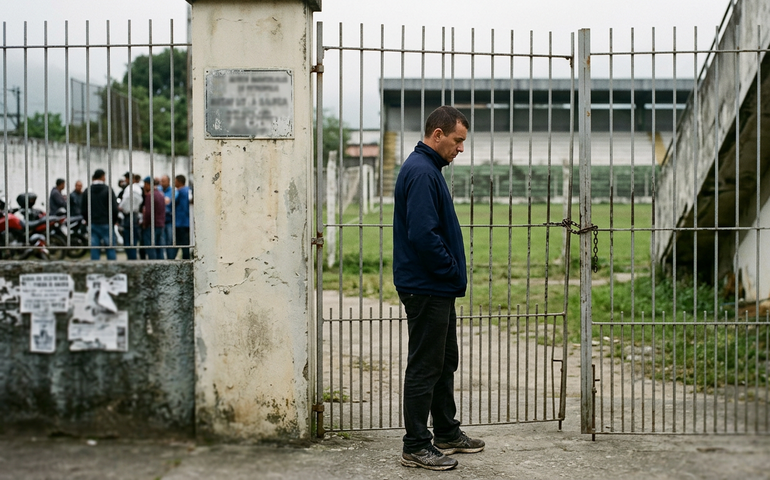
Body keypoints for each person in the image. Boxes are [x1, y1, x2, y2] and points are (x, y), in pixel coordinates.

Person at [392, 106, 484, 471]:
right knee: (425, 366)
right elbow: (423, 235)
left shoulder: (428, 170)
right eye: (458, 140)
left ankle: (446, 430)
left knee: (444, 361)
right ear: (438, 135)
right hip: (427, 285)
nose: (461, 148)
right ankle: (415, 444)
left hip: (435, 286)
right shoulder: (421, 172)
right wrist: (449, 270)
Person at [81, 169, 119, 260]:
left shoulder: (87, 191)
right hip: (106, 223)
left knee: (94, 248)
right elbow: (114, 208)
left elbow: (83, 209)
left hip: (93, 223)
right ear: (102, 176)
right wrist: (113, 221)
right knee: (110, 248)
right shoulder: (108, 190)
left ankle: (95, 270)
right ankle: (112, 269)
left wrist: (88, 220)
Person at [119, 174, 144, 260]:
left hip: (129, 216)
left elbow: (124, 204)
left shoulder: (129, 189)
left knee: (128, 241)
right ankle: (132, 259)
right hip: (135, 215)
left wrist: (120, 207)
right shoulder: (138, 189)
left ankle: (131, 260)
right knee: (133, 240)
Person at [166, 174, 191, 260]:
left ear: (179, 182)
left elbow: (171, 204)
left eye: (175, 181)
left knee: (176, 243)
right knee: (186, 244)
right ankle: (186, 260)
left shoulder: (179, 192)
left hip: (179, 222)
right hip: (187, 222)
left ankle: (171, 260)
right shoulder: (188, 190)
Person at [141, 176, 166, 259]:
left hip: (151, 225)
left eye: (145, 184)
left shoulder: (150, 195)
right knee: (159, 248)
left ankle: (154, 267)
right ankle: (161, 267)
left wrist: (145, 224)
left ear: (148, 184)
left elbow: (148, 213)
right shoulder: (160, 194)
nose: (144, 186)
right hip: (160, 224)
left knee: (151, 248)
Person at [159, 174, 173, 259]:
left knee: (170, 240)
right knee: (161, 241)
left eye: (163, 181)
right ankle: (162, 259)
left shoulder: (172, 191)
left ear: (168, 181)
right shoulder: (159, 189)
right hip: (161, 220)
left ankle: (170, 259)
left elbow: (169, 202)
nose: (162, 183)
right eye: (161, 181)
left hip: (169, 219)